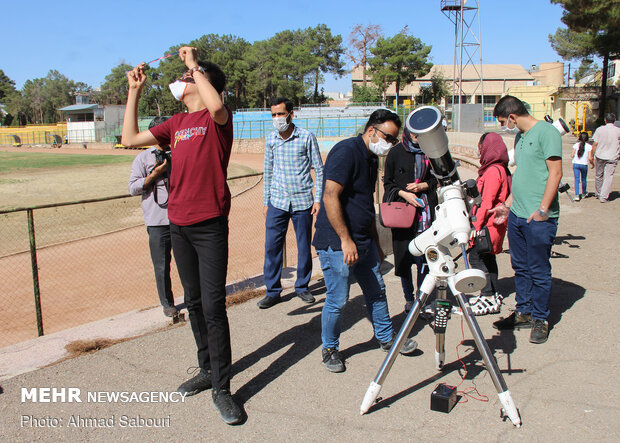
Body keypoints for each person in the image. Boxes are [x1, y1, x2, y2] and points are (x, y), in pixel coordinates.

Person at [121, 47, 242, 425]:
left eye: (189, 76)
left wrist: (195, 65)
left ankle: (222, 388)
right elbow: (128, 139)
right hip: (178, 224)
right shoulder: (174, 123)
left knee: (212, 305)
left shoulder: (218, 118)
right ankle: (207, 368)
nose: (182, 79)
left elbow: (216, 104)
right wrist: (134, 91)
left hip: (208, 225)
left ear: (200, 80)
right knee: (192, 302)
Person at [312, 109, 418, 373]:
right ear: (371, 130)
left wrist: (376, 244)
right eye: (388, 137)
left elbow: (365, 205)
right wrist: (345, 240)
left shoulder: (372, 159)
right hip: (338, 242)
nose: (390, 144)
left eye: (394, 140)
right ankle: (329, 348)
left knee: (376, 291)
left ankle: (386, 337)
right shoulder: (346, 151)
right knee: (338, 299)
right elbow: (329, 195)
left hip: (363, 241)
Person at [489, 95, 562, 344]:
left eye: (502, 122)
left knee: (539, 270)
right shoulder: (520, 137)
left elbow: (556, 173)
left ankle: (540, 318)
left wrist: (543, 210)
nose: (503, 127)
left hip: (538, 217)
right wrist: (506, 206)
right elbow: (523, 173)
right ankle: (524, 312)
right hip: (518, 215)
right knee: (520, 267)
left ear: (512, 117)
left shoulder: (547, 133)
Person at [257, 97, 324, 309]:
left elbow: (319, 169)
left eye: (280, 114)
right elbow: (267, 170)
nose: (277, 118)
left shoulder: (306, 137)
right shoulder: (271, 139)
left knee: (304, 246)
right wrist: (266, 200)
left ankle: (302, 287)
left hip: (303, 201)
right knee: (272, 246)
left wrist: (318, 199)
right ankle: (273, 291)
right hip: (277, 201)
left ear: (291, 114)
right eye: (273, 115)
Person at [382, 128, 437, 313]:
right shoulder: (396, 152)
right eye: (414, 133)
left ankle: (423, 299)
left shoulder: (431, 150)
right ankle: (409, 299)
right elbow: (388, 183)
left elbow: (438, 178)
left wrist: (424, 185)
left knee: (425, 261)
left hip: (425, 216)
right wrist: (404, 194)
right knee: (404, 260)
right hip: (402, 215)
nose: (417, 137)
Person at [128, 117, 177, 317]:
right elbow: (132, 188)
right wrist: (155, 173)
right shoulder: (142, 158)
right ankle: (167, 304)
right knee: (161, 266)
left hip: (181, 217)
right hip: (157, 222)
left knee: (188, 263)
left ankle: (195, 299)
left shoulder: (178, 153)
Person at [467, 132, 511, 316]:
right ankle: (492, 294)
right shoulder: (502, 168)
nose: (479, 151)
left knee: (476, 258)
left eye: (480, 147)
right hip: (494, 225)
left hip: (487, 225)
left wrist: (475, 227)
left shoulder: (493, 171)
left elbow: (486, 201)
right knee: (488, 258)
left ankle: (486, 296)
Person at [590, 113, 620, 203]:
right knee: (608, 176)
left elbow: (595, 144)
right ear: (614, 120)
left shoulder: (599, 129)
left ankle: (598, 193)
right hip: (612, 156)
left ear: (605, 120)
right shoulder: (618, 130)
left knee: (599, 175)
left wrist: (592, 154)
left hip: (600, 155)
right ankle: (603, 196)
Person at [571, 132, 592, 201]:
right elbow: (590, 158)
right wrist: (592, 164)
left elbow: (572, 155)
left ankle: (577, 195)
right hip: (584, 164)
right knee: (584, 179)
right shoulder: (589, 146)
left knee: (576, 180)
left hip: (576, 164)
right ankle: (583, 193)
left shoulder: (576, 145)